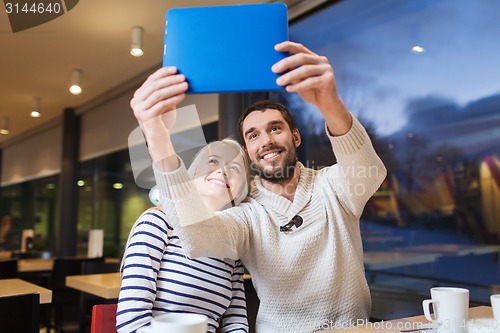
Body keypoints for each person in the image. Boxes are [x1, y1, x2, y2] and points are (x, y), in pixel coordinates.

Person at [132, 41, 387, 332]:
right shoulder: (245, 214)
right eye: (253, 136)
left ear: (296, 136)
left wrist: (330, 103)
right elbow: (195, 235)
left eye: (275, 129)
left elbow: (369, 172)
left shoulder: (332, 185)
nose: (265, 141)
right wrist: (156, 135)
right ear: (248, 151)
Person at [116, 138, 250, 333]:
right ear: (193, 173)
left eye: (235, 168)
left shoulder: (232, 247)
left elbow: (236, 323)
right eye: (213, 161)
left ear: (239, 190)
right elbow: (131, 323)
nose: (223, 170)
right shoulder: (157, 223)